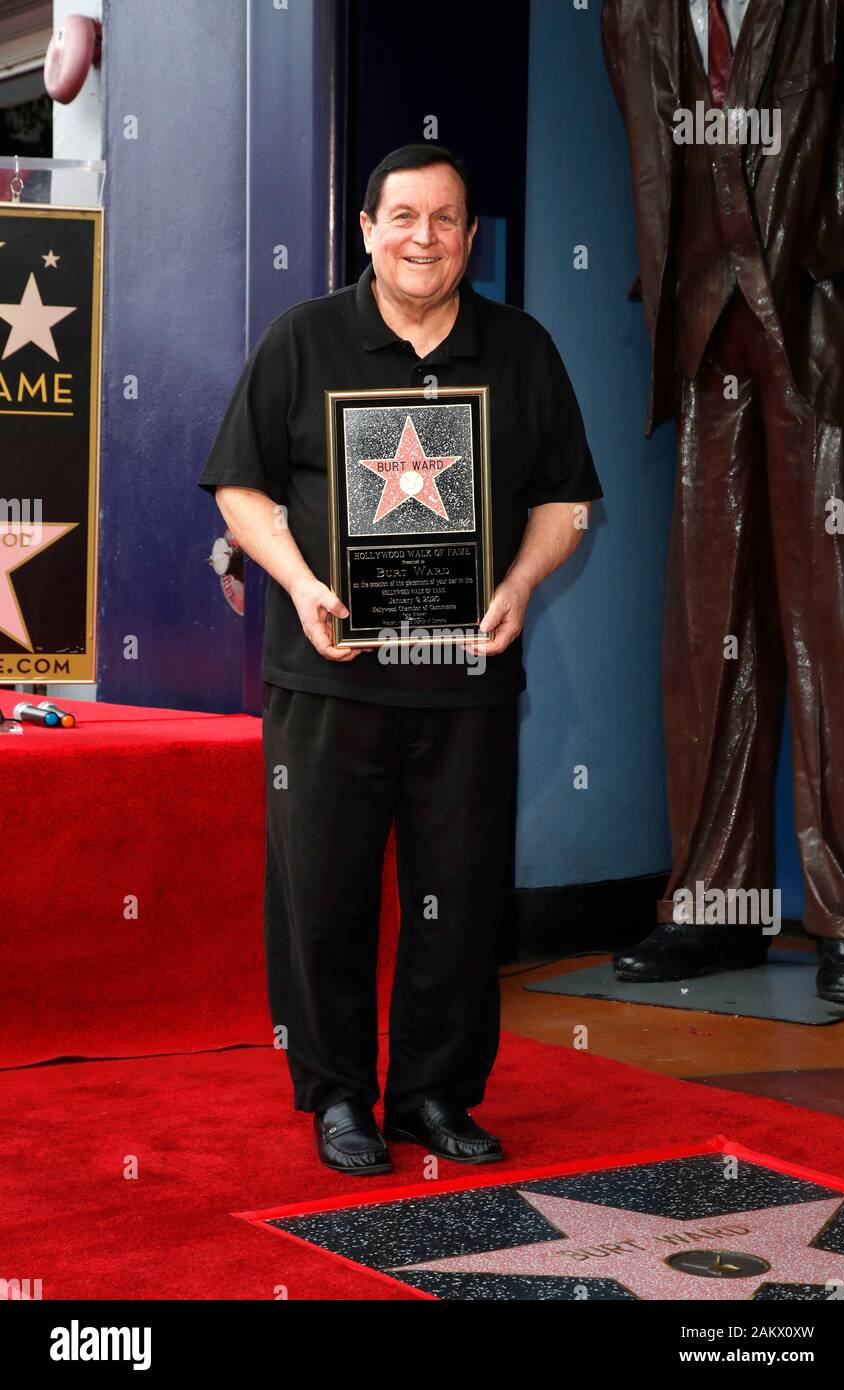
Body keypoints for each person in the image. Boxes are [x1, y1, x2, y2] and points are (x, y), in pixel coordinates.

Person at [197, 143, 602, 1174]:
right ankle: (338, 1097)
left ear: (472, 238)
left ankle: (431, 1094)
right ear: (368, 229)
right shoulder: (302, 340)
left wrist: (516, 586)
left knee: (459, 900)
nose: (426, 236)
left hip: (466, 679)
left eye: (448, 219)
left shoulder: (522, 350)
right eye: (406, 217)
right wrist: (297, 579)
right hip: (328, 677)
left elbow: (567, 503)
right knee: (322, 897)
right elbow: (240, 489)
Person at [602, 0, 844, 1003]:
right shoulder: (630, 12)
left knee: (832, 620)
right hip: (707, 318)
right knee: (711, 625)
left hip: (826, 314)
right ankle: (715, 902)